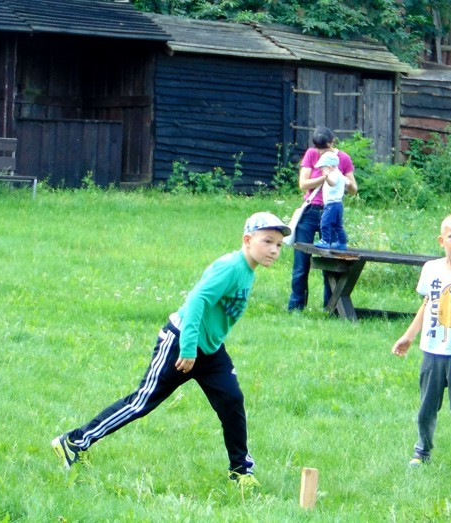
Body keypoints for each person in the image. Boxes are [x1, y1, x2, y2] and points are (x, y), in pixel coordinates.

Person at [52, 212, 291, 489]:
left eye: (279, 245)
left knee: (232, 400)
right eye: (268, 241)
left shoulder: (247, 270)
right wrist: (188, 349)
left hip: (210, 351)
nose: (274, 249)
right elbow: (197, 301)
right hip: (181, 344)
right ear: (248, 240)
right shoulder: (231, 267)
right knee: (141, 403)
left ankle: (240, 471)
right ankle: (73, 442)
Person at [391, 213, 451, 484]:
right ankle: (422, 450)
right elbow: (427, 303)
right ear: (441, 240)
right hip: (432, 351)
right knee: (427, 407)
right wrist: (408, 336)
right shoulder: (431, 269)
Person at [288, 126, 358, 311]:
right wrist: (326, 177)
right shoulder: (311, 154)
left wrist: (340, 178)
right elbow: (303, 184)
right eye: (318, 148)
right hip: (311, 211)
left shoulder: (343, 159)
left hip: (331, 210)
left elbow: (354, 189)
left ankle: (331, 307)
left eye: (324, 148)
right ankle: (296, 306)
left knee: (331, 261)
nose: (320, 152)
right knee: (301, 262)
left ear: (332, 143)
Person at [312, 151, 354, 250]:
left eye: (323, 168)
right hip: (338, 204)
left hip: (331, 204)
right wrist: (347, 182)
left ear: (330, 167)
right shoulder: (340, 174)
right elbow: (347, 181)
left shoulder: (333, 175)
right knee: (337, 225)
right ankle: (342, 242)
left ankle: (325, 241)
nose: (322, 171)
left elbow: (332, 183)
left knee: (325, 223)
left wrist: (326, 177)